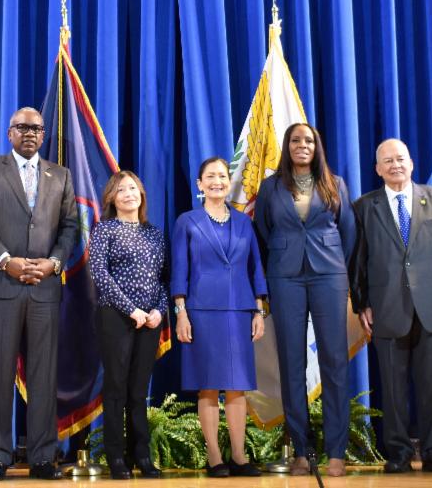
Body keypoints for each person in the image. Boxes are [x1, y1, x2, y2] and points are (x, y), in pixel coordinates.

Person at [0, 107, 79, 481]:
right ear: (9, 133)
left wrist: (53, 263)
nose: (29, 133)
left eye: (36, 128)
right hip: (2, 287)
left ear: (44, 135)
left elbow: (69, 227)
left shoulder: (60, 175)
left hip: (45, 288)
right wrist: (4, 261)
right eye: (22, 127)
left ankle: (43, 457)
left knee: (43, 375)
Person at [253, 123, 356, 476]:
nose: (302, 145)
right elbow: (263, 232)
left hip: (329, 275)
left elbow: (349, 234)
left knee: (335, 363)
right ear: (287, 146)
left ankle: (337, 452)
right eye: (296, 140)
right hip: (285, 278)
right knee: (292, 364)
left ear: (317, 146)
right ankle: (302, 451)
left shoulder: (335, 183)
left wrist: (335, 266)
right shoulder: (270, 187)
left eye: (309, 140)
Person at [351, 138, 432, 474]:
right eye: (387, 161)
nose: (395, 165)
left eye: (400, 159)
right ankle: (397, 453)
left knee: (429, 384)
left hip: (431, 305)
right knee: (393, 388)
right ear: (378, 169)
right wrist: (361, 303)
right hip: (385, 307)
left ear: (411, 163)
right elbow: (358, 260)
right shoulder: (364, 206)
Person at [171, 157, 267, 479]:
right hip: (201, 311)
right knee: (208, 387)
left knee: (237, 387)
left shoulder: (244, 222)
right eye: (210, 176)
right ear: (199, 184)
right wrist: (181, 312)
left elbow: (255, 268)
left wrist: (258, 310)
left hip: (239, 310)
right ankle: (215, 458)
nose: (217, 181)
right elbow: (179, 270)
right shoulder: (187, 221)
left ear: (229, 182)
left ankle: (239, 457)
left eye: (222, 176)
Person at [88, 171, 167, 480]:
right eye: (121, 190)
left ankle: (142, 456)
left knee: (138, 390)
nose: (128, 194)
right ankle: (116, 458)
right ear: (112, 198)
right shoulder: (104, 230)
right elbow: (100, 275)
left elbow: (163, 278)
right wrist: (131, 309)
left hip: (151, 321)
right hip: (115, 317)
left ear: (141, 194)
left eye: (133, 188)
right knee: (116, 387)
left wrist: (159, 311)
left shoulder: (155, 233)